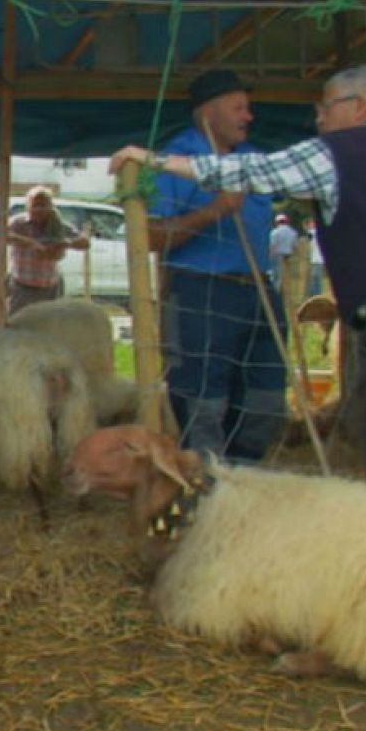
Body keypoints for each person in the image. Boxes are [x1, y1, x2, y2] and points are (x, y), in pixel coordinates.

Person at [110, 64, 366, 535]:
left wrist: (153, 160)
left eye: (326, 108)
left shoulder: (336, 153)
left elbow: (254, 172)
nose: (318, 119)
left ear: (360, 107)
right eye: (239, 107)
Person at [148, 69, 285, 463]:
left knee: (266, 395)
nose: (249, 117)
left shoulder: (254, 160)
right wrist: (215, 211)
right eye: (239, 108)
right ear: (209, 113)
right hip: (199, 289)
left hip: (258, 287)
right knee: (203, 397)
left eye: (248, 108)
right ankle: (205, 476)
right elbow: (151, 236)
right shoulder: (172, 161)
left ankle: (247, 471)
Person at [5, 185, 88, 316]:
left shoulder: (58, 224)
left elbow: (85, 242)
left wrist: (67, 243)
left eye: (43, 205)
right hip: (23, 286)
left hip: (50, 287)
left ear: (51, 206)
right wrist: (31, 243)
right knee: (18, 320)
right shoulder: (18, 223)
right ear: (28, 206)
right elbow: (3, 236)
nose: (39, 209)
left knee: (49, 321)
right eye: (36, 205)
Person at [268, 213, 297, 287]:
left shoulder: (275, 232)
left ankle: (275, 290)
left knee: (275, 275)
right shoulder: (293, 232)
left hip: (277, 255)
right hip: (288, 255)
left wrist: (270, 255)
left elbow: (273, 245)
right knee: (285, 276)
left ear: (277, 222)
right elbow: (295, 246)